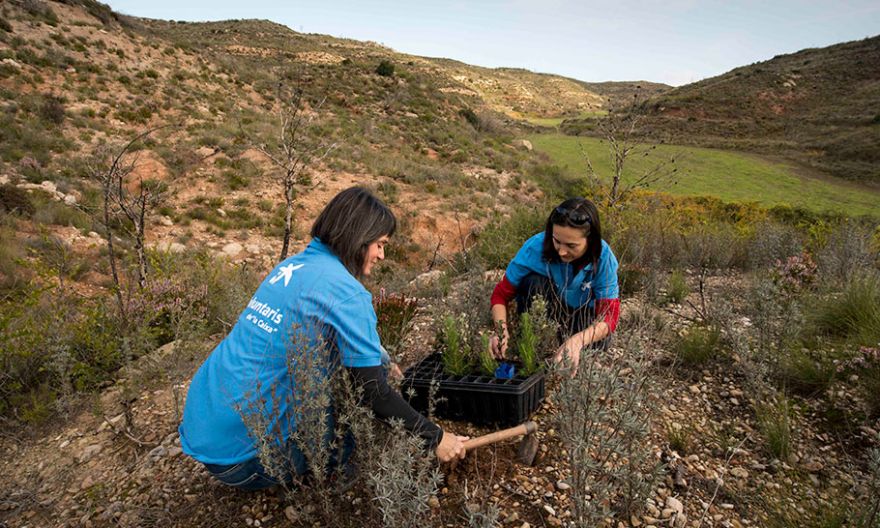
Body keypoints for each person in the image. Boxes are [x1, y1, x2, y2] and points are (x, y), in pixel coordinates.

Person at [179, 187, 468, 491]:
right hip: (245, 461)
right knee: (351, 390)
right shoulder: (347, 292)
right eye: (380, 244)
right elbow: (373, 393)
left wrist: (382, 359)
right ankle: (334, 473)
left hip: (204, 427)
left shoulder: (291, 267)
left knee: (347, 359)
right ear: (359, 237)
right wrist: (436, 437)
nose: (382, 255)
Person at [489, 197, 620, 374]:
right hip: (545, 312)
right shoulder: (535, 248)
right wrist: (501, 330)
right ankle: (534, 344)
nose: (561, 251)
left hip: (581, 316)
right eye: (557, 241)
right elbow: (500, 295)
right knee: (533, 282)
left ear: (591, 241)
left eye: (571, 245)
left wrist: (577, 341)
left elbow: (610, 316)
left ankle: (568, 347)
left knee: (598, 344)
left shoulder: (604, 258)